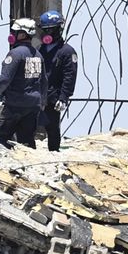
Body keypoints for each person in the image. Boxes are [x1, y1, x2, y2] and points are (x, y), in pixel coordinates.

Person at [0, 18, 47, 148]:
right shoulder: (38, 55)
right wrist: (42, 101)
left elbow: (5, 79)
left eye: (15, 32)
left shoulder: (15, 54)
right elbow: (43, 81)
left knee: (1, 138)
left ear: (23, 34)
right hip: (33, 105)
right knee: (27, 141)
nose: (12, 35)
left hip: (15, 104)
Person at [39, 10, 78, 152]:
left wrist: (64, 97)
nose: (47, 33)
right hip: (39, 94)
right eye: (45, 30)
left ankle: (53, 152)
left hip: (54, 96)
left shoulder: (67, 52)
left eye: (50, 29)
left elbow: (70, 76)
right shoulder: (41, 49)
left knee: (52, 126)